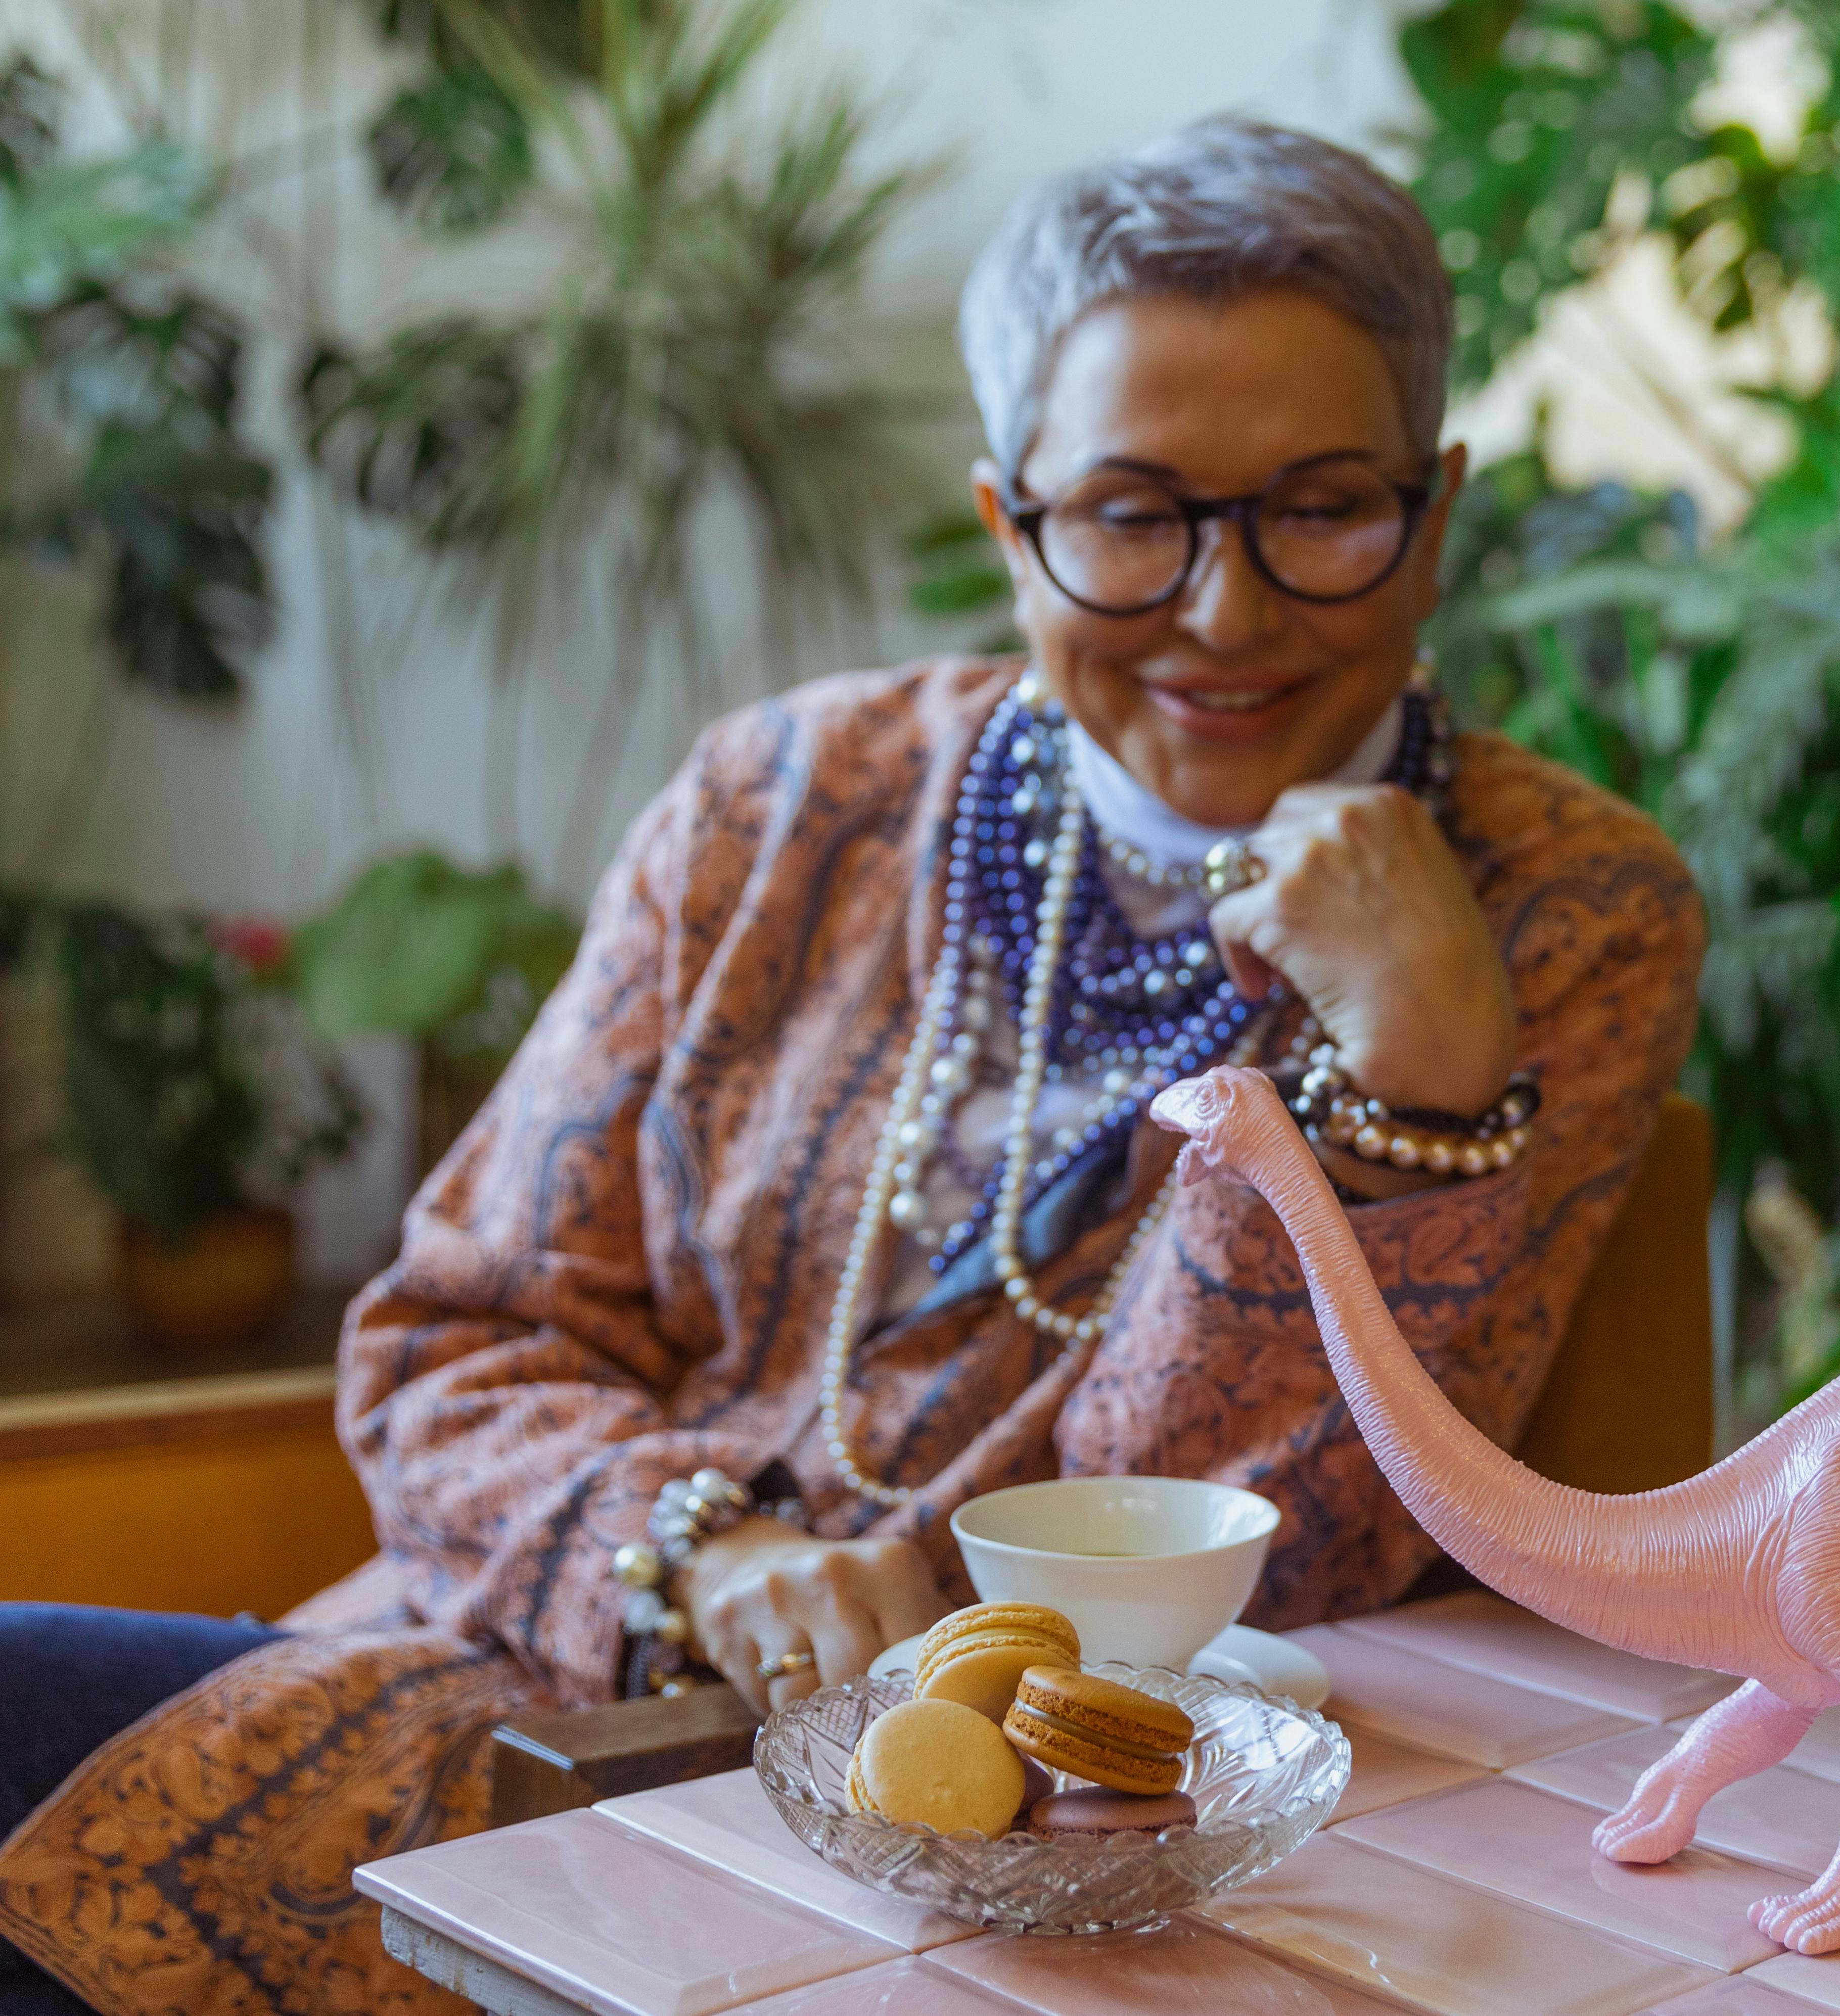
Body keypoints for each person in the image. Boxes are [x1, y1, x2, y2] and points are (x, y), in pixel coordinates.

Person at [0, 118, 1703, 2016]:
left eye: (1319, 508)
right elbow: (447, 1342)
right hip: (544, 1680)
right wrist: (714, 1559)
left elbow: (1260, 1565)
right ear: (1007, 524)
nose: (1226, 614)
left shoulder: (1562, 911)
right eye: (1133, 518)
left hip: (998, 1847)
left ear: (1435, 509)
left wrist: (1412, 1096)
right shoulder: (784, 799)